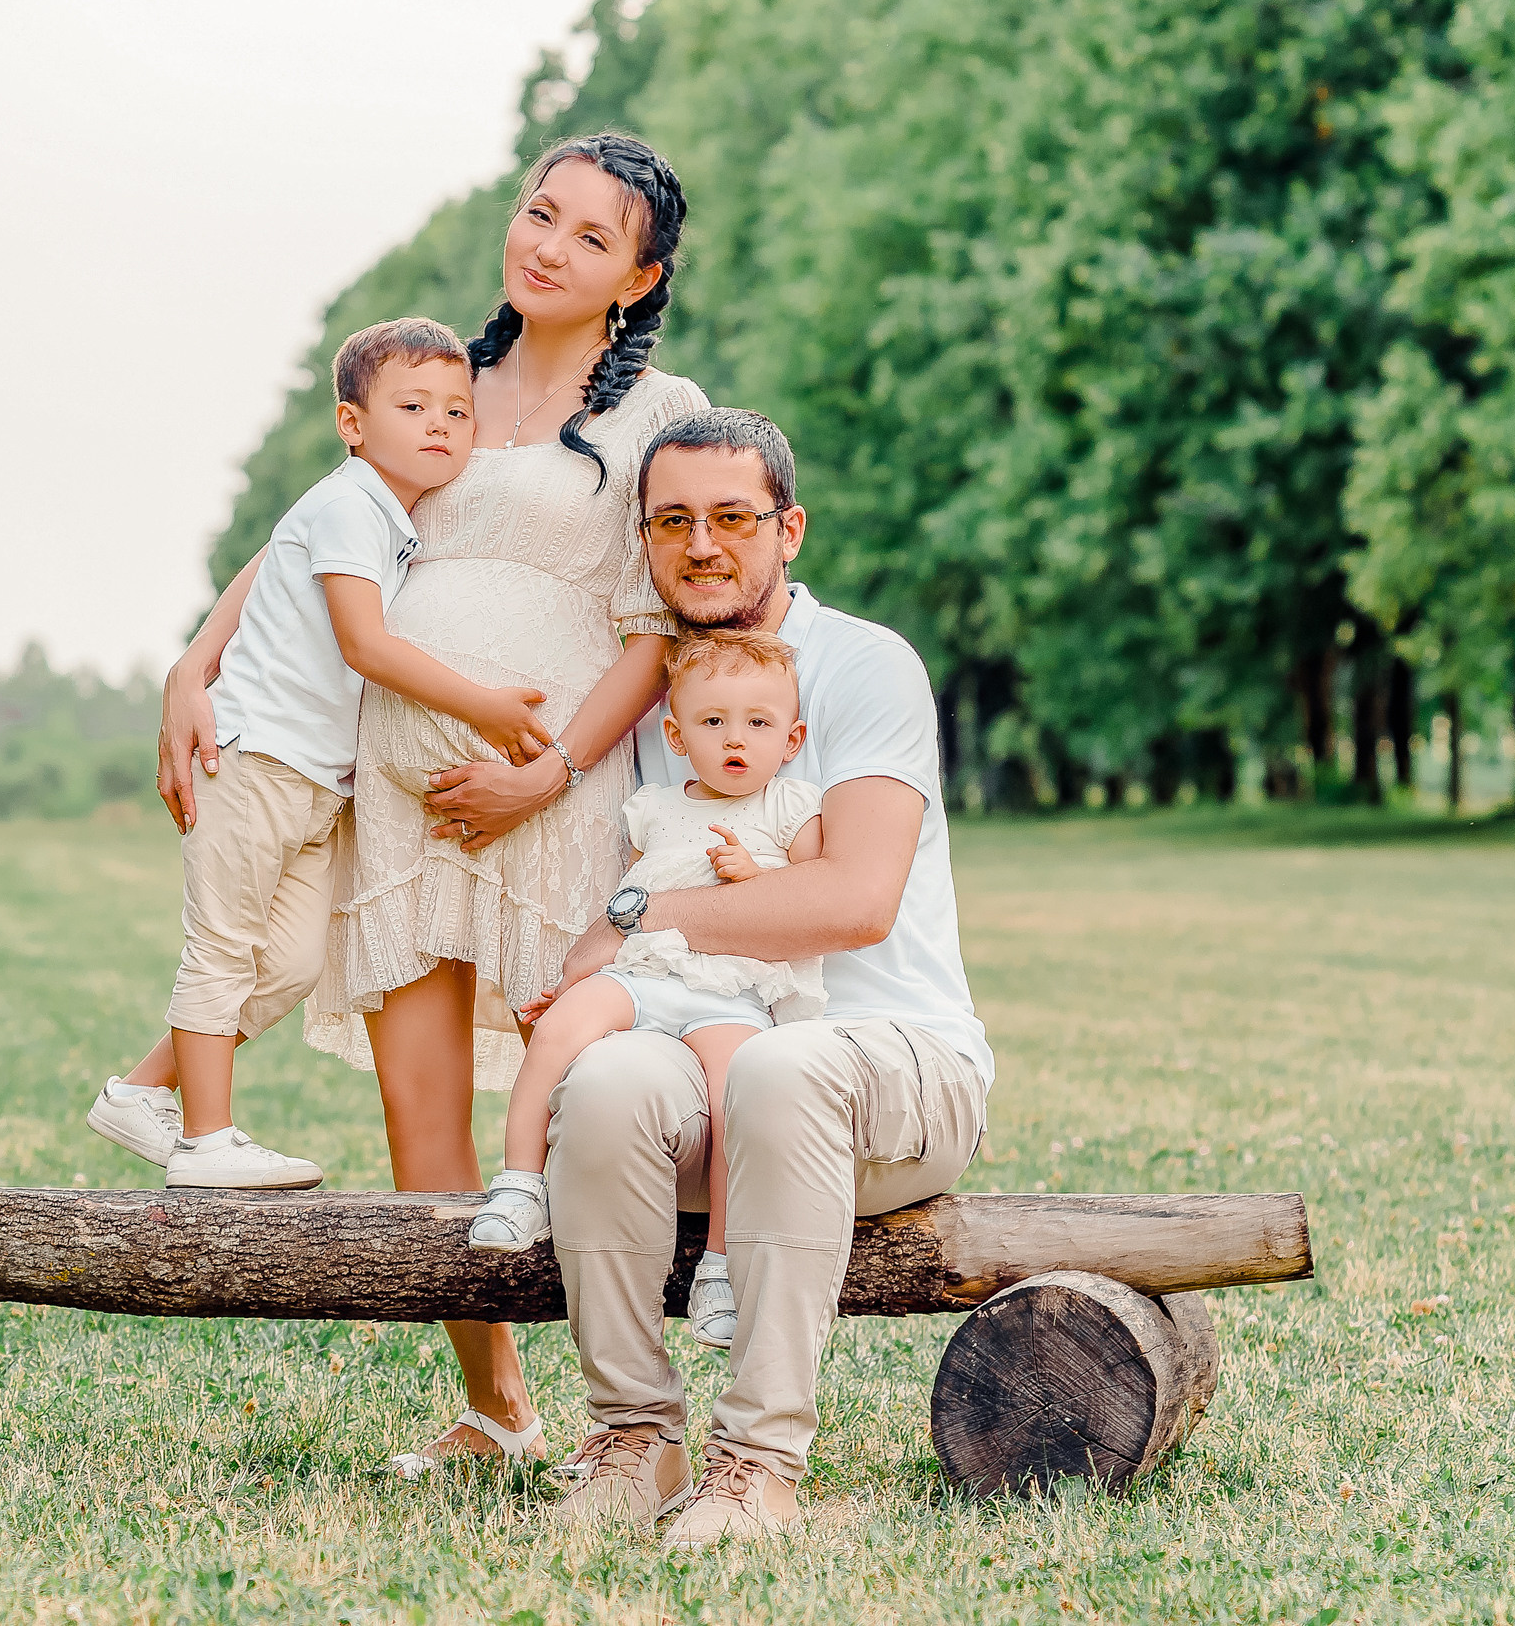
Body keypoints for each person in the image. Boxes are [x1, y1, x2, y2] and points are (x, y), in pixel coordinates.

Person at [155, 134, 705, 1473]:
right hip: (406, 807)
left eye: (589, 236)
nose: (548, 245)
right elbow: (322, 533)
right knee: (423, 1116)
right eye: (540, 212)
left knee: (582, 1101)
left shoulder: (654, 416)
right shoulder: (436, 386)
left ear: (638, 279)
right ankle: (495, 1404)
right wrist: (198, 656)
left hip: (547, 792)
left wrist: (549, 769)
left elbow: (652, 631)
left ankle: (625, 1416)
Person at [540, 407, 995, 1551]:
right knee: (600, 1087)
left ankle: (755, 1464)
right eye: (672, 521)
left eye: (733, 517)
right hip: (715, 1063)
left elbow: (852, 900)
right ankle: (634, 1438)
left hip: (895, 1066)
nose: (703, 544)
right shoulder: (653, 700)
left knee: (783, 1065)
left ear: (787, 528)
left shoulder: (864, 663)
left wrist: (637, 915)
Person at [87, 318, 551, 1190]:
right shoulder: (348, 504)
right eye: (412, 406)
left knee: (292, 964)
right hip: (255, 758)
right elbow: (365, 645)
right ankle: (206, 1139)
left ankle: (142, 1090)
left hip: (317, 782)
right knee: (223, 947)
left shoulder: (393, 515)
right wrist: (482, 705)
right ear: (352, 424)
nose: (440, 425)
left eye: (457, 409)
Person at [465, 628, 824, 1361]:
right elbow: (628, 898)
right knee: (563, 1028)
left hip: (733, 991)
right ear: (675, 732)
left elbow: (809, 900)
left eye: (758, 723)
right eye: (712, 721)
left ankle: (720, 1265)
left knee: (737, 1097)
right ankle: (519, 1182)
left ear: (791, 737)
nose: (735, 739)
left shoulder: (793, 807)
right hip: (647, 971)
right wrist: (579, 971)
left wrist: (755, 877)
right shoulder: (656, 807)